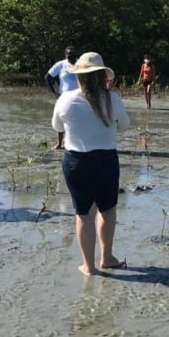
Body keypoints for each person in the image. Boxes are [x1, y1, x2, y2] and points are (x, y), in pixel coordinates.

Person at [51, 52, 130, 276]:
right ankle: (107, 257)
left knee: (84, 215)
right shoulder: (112, 99)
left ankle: (88, 265)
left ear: (80, 76)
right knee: (108, 210)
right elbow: (124, 126)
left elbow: (56, 127)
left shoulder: (66, 99)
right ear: (102, 75)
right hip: (106, 161)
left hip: (77, 163)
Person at [45, 45, 80, 149]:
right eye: (69, 54)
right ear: (65, 55)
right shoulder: (60, 65)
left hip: (80, 97)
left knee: (77, 121)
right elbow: (47, 77)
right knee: (61, 119)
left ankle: (75, 142)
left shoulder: (82, 64)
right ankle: (59, 143)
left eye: (73, 54)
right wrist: (54, 93)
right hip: (64, 98)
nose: (71, 56)